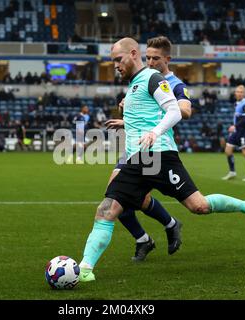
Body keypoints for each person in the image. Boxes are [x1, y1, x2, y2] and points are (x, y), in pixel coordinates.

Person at [78, 37, 245, 283]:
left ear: (132, 54)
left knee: (199, 206)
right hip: (135, 160)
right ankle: (84, 269)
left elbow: (175, 111)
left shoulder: (154, 79)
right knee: (107, 209)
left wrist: (155, 132)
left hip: (160, 156)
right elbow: (145, 115)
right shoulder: (133, 86)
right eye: (113, 62)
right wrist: (126, 121)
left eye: (118, 60)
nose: (115, 65)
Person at [105, 36, 192, 261]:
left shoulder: (174, 84)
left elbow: (184, 111)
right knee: (116, 194)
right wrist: (127, 116)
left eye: (155, 58)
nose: (151, 62)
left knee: (126, 196)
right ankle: (149, 235)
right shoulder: (142, 79)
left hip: (157, 147)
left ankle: (165, 227)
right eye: (148, 57)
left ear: (167, 59)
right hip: (136, 145)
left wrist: (162, 102)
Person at [222, 85, 245, 182]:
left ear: (243, 94)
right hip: (236, 132)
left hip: (243, 132)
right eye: (238, 91)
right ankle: (232, 172)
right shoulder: (237, 103)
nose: (239, 93)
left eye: (241, 92)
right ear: (235, 93)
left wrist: (234, 126)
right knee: (228, 150)